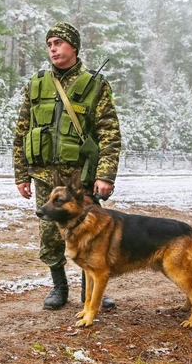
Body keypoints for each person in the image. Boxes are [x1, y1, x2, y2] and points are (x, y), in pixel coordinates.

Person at [13, 22, 122, 310]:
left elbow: (109, 133)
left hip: (80, 179)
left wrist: (105, 175)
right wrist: (21, 174)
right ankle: (59, 288)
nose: (53, 48)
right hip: (45, 176)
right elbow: (21, 132)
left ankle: (92, 291)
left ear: (74, 47)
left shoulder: (96, 86)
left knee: (92, 236)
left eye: (58, 43)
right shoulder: (36, 85)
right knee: (49, 236)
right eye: (49, 44)